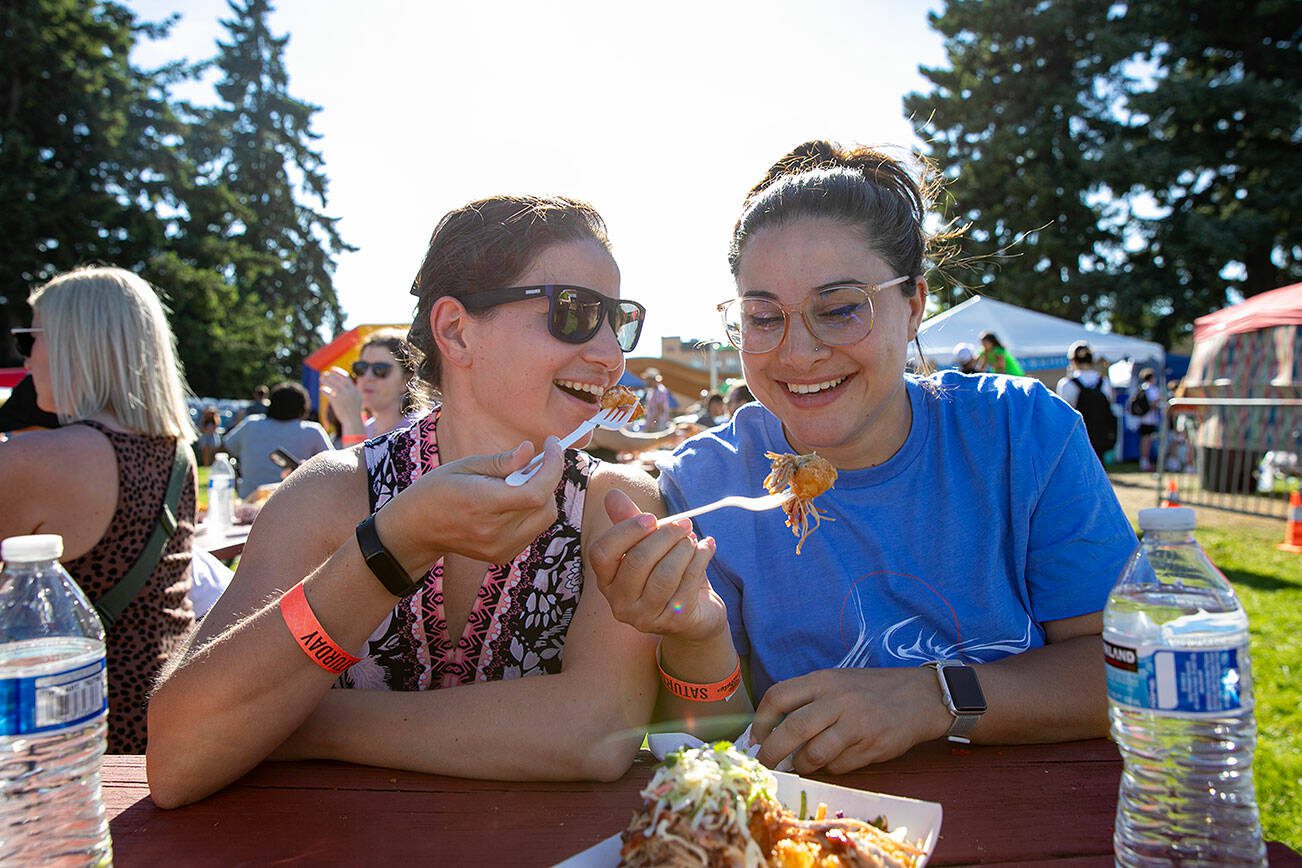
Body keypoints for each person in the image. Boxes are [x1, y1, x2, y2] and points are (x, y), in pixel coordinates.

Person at [589, 140, 1136, 776]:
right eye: (764, 317)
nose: (798, 354)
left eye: (841, 308)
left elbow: (1123, 669)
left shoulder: (1021, 434)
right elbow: (705, 749)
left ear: (913, 306)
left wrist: (934, 699)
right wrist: (697, 635)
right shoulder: (705, 486)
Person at [146, 194, 672, 809]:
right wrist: (393, 547)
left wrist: (295, 722)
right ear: (455, 330)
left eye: (620, 319)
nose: (613, 355)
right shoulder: (330, 493)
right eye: (577, 313)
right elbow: (180, 755)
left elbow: (596, 734)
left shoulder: (614, 502)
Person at [0, 266, 199, 753]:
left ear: (74, 344)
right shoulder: (177, 454)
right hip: (170, 714)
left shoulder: (32, 459)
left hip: (70, 730)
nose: (25, 361)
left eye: (31, 340)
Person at [221, 382, 332, 498]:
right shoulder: (312, 431)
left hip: (249, 501)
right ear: (303, 406)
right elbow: (334, 466)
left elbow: (225, 448)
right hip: (293, 504)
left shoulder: (251, 424)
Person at [319, 328, 421, 446]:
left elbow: (359, 465)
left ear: (406, 381)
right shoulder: (367, 428)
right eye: (361, 368)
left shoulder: (420, 430)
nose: (367, 377)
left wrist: (352, 422)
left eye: (380, 369)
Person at [1055, 341, 1117, 463]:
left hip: (1077, 438)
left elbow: (1062, 414)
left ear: (1072, 360)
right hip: (1100, 436)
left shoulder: (1066, 384)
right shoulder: (1104, 382)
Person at [1128, 368, 1161, 471]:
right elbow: (1155, 403)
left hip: (1142, 419)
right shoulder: (1152, 389)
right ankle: (1145, 461)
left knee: (1144, 439)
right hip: (1149, 419)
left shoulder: (1141, 389)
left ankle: (1144, 461)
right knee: (1147, 440)